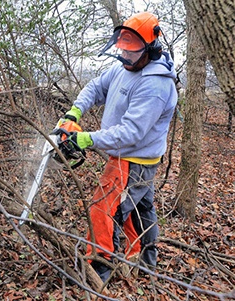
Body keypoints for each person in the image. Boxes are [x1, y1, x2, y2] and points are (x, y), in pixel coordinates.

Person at [58, 12, 178, 282]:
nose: (125, 58)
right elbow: (96, 87)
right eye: (122, 50)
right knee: (140, 211)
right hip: (126, 154)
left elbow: (130, 133)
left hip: (134, 159)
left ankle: (100, 267)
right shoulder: (124, 67)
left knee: (104, 210)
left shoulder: (156, 85)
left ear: (150, 48)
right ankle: (144, 263)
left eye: (131, 53)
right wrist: (73, 114)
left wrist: (86, 139)